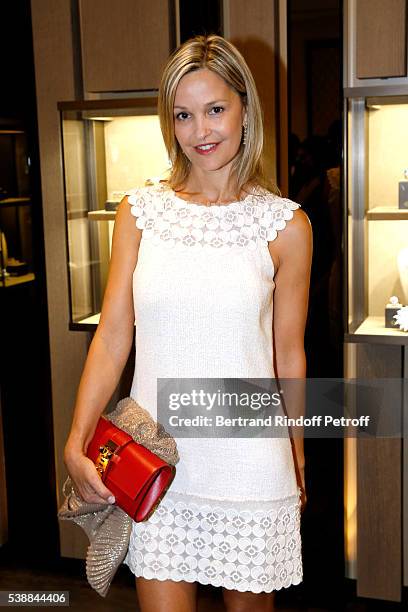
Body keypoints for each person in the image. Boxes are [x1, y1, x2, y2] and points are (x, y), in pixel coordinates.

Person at [63, 34, 312, 612]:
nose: (201, 131)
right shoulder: (140, 212)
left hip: (251, 462)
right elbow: (113, 334)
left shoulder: (286, 227)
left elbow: (289, 356)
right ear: (168, 122)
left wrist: (297, 453)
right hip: (159, 465)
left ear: (245, 108)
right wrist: (76, 441)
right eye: (183, 114)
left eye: (215, 109)